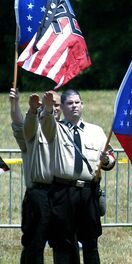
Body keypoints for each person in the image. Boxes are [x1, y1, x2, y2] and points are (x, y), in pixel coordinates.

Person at [40, 89, 116, 264]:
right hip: (63, 191)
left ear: (82, 105)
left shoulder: (96, 131)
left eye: (77, 102)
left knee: (91, 243)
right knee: (63, 244)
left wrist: (106, 161)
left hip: (88, 193)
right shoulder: (55, 129)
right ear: (63, 107)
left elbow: (110, 159)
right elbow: (45, 123)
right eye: (69, 103)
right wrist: (48, 108)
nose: (74, 106)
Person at [10, 88, 61, 263]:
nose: (53, 107)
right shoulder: (32, 131)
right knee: (34, 245)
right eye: (49, 104)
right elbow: (19, 125)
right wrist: (15, 103)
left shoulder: (68, 132)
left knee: (64, 244)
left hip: (63, 194)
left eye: (56, 104)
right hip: (39, 195)